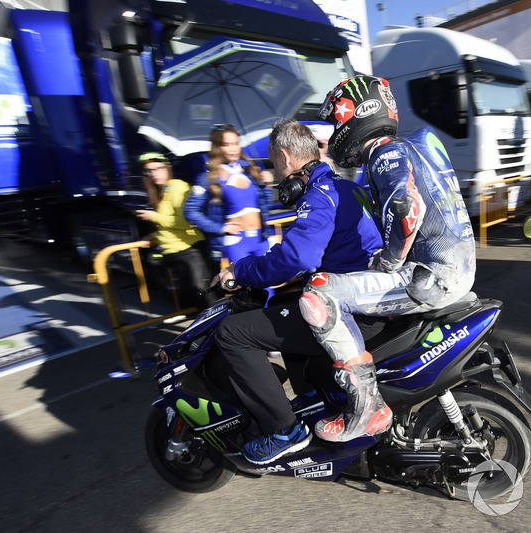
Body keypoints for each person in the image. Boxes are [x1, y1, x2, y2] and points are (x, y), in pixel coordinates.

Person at [299, 75, 477, 442]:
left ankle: (365, 406)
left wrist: (390, 261)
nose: (334, 133)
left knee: (319, 295)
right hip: (460, 269)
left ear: (357, 115)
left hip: (428, 277)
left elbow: (407, 209)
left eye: (335, 122)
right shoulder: (423, 142)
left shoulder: (383, 153)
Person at [211, 118, 383, 464]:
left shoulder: (320, 196)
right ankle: (315, 399)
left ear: (287, 157)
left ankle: (284, 430)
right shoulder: (349, 188)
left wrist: (240, 272)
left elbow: (297, 258)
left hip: (347, 311)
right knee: (288, 301)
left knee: (232, 333)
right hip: (371, 297)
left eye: (274, 164)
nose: (275, 174)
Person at [184, 124, 274, 274]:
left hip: (261, 238)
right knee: (246, 289)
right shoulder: (208, 178)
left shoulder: (250, 171)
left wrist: (268, 186)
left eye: (236, 143)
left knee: (268, 284)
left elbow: (264, 205)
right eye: (227, 144)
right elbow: (190, 211)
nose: (233, 149)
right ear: (217, 147)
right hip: (237, 242)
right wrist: (220, 228)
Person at [134, 152, 214, 310]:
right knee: (193, 301)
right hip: (175, 252)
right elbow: (168, 224)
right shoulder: (162, 191)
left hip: (190, 251)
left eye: (158, 168)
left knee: (207, 299)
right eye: (148, 171)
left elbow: (185, 222)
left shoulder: (178, 187)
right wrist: (154, 236)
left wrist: (154, 217)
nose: (153, 174)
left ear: (167, 168)